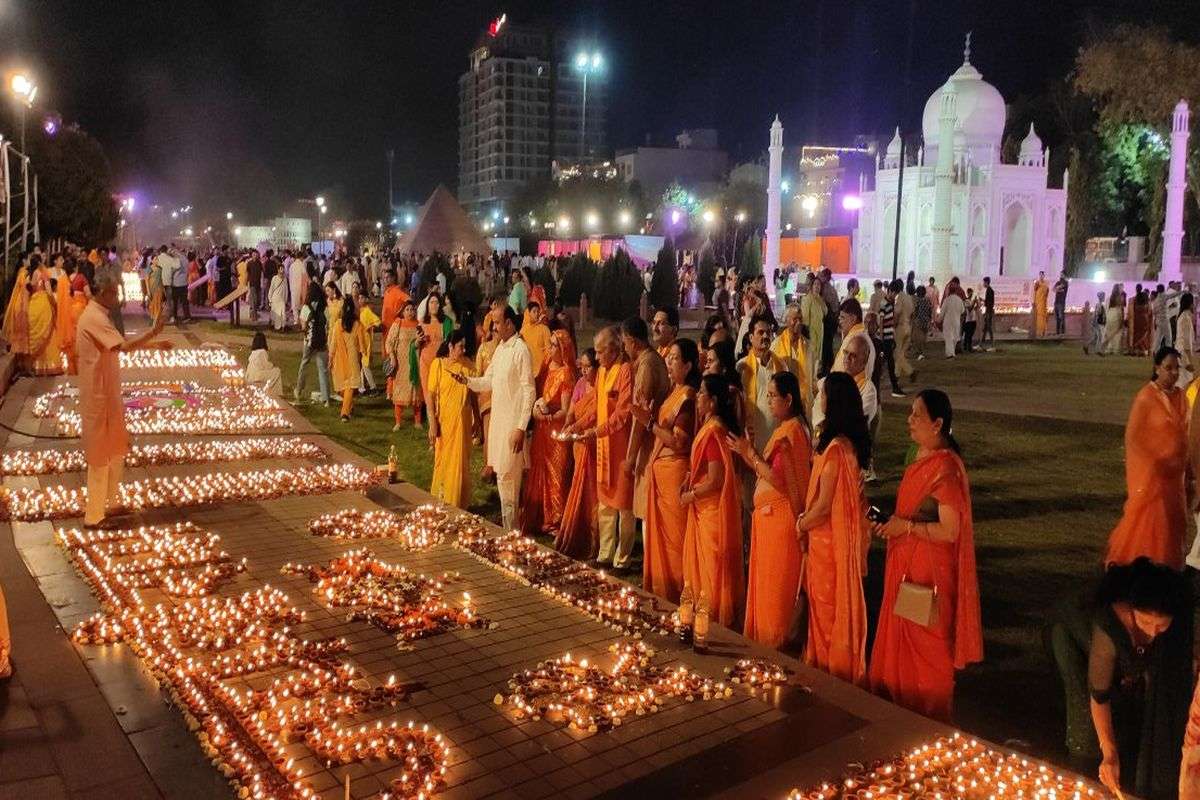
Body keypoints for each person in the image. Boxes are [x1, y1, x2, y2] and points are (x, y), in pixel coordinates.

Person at [868, 389, 983, 721]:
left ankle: (929, 718)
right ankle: (902, 713)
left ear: (938, 424)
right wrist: (895, 523)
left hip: (929, 576)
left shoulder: (945, 469)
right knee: (904, 644)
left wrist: (905, 528)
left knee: (928, 651)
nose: (910, 420)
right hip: (907, 564)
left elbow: (950, 531)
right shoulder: (921, 457)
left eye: (917, 414)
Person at [1047, 559, 1191, 799]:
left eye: (1161, 626)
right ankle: (1082, 771)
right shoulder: (1109, 624)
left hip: (1114, 653)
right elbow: (1099, 695)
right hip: (1072, 636)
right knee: (1085, 725)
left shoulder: (1170, 623)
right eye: (1145, 622)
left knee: (1127, 710)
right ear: (1131, 609)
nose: (1153, 632)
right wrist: (1109, 753)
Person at [77, 270, 170, 529]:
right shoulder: (94, 317)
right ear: (103, 292)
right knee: (99, 455)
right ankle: (94, 516)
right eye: (115, 292)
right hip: (98, 396)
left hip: (108, 393)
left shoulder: (99, 315)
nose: (117, 297)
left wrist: (155, 344)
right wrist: (153, 333)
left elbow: (118, 346)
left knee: (116, 448)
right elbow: (125, 347)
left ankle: (110, 502)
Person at [796, 371, 870, 684]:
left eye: (823, 394)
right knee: (823, 609)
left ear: (833, 401)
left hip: (828, 545)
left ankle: (829, 672)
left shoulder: (838, 451)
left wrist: (802, 522)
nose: (819, 399)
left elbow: (825, 506)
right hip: (829, 541)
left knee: (827, 610)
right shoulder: (846, 445)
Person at [730, 370, 811, 649]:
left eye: (773, 396)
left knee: (775, 588)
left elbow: (780, 480)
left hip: (781, 524)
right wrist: (751, 450)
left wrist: (748, 454)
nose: (770, 401)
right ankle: (764, 639)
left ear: (789, 399)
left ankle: (774, 643)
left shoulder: (791, 433)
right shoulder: (785, 429)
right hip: (769, 522)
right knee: (766, 584)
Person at [1105, 346, 1189, 570]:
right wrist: (1152, 465)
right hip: (1153, 478)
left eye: (1176, 368)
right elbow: (1134, 439)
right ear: (1157, 368)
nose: (1173, 373)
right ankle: (1143, 566)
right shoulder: (1146, 398)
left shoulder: (1181, 397)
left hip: (1176, 477)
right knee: (1151, 523)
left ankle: (1170, 568)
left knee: (1173, 522)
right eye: (1168, 368)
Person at [678, 374, 745, 651]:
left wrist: (690, 495)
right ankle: (702, 620)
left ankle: (713, 622)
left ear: (713, 401)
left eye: (702, 393)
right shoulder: (708, 425)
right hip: (701, 509)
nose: (698, 398)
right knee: (700, 569)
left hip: (710, 512)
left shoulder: (714, 430)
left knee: (711, 570)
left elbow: (717, 480)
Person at [635, 338, 700, 602]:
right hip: (660, 472)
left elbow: (679, 441)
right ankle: (660, 590)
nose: (669, 362)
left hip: (674, 472)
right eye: (669, 358)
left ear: (687, 365)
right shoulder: (673, 393)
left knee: (673, 542)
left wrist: (649, 423)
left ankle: (674, 593)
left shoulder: (687, 397)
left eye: (674, 358)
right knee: (658, 537)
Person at [463, 305, 535, 531]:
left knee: (509, 481)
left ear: (509, 324)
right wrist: (466, 381)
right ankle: (509, 531)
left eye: (496, 322)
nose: (493, 327)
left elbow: (528, 390)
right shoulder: (502, 349)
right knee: (503, 480)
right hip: (498, 424)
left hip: (512, 426)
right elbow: (488, 380)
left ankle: (512, 534)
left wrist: (520, 427)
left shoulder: (520, 350)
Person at [585, 326, 636, 571]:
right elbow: (597, 405)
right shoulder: (602, 373)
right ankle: (605, 555)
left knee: (624, 506)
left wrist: (598, 431)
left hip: (622, 448)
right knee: (605, 503)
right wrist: (579, 424)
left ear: (614, 349)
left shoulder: (626, 371)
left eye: (599, 352)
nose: (596, 358)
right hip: (604, 447)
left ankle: (623, 558)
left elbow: (624, 412)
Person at [521, 329, 576, 535]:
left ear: (563, 350)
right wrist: (536, 409)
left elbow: (565, 410)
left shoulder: (566, 373)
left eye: (554, 345)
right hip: (541, 431)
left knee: (557, 475)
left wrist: (547, 415)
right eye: (550, 344)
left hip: (556, 433)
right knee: (539, 470)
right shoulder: (546, 366)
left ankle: (555, 519)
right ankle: (539, 515)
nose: (550, 348)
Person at [623, 317, 671, 529]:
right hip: (653, 441)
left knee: (647, 511)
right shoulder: (649, 360)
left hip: (651, 444)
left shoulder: (647, 365)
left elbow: (640, 417)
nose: (624, 348)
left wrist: (630, 457)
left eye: (625, 343)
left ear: (632, 342)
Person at [427, 330, 481, 509]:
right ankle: (442, 500)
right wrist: (432, 423)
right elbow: (430, 396)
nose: (463, 350)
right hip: (445, 421)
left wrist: (478, 420)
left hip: (463, 422)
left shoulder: (469, 367)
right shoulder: (439, 365)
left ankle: (458, 502)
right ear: (450, 346)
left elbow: (473, 396)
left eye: (465, 347)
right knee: (443, 461)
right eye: (460, 346)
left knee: (460, 463)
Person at [557, 348, 601, 559]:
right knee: (578, 486)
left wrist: (576, 428)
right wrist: (568, 425)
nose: (583, 371)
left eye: (588, 366)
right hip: (578, 445)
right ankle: (576, 531)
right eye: (581, 366)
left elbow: (596, 414)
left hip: (593, 443)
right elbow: (572, 411)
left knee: (592, 493)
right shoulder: (580, 385)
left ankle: (594, 542)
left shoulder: (601, 388)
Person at [329, 297, 369, 422]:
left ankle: (344, 413)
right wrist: (363, 354)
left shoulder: (338, 324)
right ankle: (348, 406)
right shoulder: (357, 324)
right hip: (351, 359)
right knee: (347, 387)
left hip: (340, 359)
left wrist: (330, 358)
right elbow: (361, 343)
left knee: (348, 387)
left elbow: (333, 344)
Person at [385, 300, 422, 428]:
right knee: (399, 390)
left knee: (415, 390)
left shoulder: (418, 325)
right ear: (402, 312)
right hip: (400, 363)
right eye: (407, 310)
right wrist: (392, 356)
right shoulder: (398, 324)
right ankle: (398, 422)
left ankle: (417, 421)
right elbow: (389, 341)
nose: (410, 312)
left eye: (412, 310)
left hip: (414, 362)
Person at [293, 280, 331, 407]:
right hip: (322, 341)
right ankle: (326, 398)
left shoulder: (306, 307)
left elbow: (303, 325)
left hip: (309, 341)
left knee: (304, 364)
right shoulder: (325, 307)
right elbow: (328, 324)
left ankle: (298, 390)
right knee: (323, 369)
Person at [771, 304, 811, 412]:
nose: (799, 322)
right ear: (787, 321)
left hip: (804, 401)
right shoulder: (776, 345)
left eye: (800, 319)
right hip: (784, 400)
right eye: (795, 319)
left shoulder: (807, 345)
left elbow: (812, 375)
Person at [418, 293, 452, 410]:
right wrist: (418, 341)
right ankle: (431, 421)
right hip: (425, 362)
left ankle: (440, 418)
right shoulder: (422, 322)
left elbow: (449, 341)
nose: (434, 305)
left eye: (437, 302)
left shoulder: (446, 322)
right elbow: (415, 345)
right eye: (431, 302)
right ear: (427, 305)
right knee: (428, 391)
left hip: (440, 361)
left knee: (440, 390)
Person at [878, 283, 906, 395]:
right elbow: (881, 320)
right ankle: (894, 387)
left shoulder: (890, 303)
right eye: (894, 293)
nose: (895, 296)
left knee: (885, 361)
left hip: (888, 336)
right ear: (889, 291)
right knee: (889, 362)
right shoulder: (884, 303)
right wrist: (881, 338)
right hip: (885, 337)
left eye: (896, 294)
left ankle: (890, 384)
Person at [353, 285, 381, 393]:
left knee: (365, 365)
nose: (360, 300)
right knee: (362, 364)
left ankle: (373, 387)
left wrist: (371, 327)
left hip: (366, 341)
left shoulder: (367, 311)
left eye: (362, 298)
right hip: (361, 341)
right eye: (359, 298)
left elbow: (378, 321)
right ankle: (362, 387)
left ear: (366, 299)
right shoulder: (362, 311)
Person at [801, 276, 826, 385]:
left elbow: (825, 312)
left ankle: (814, 379)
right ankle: (810, 380)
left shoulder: (820, 299)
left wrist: (820, 300)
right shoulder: (808, 299)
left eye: (819, 285)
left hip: (819, 330)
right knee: (811, 356)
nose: (817, 287)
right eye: (815, 284)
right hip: (811, 332)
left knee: (817, 357)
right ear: (811, 286)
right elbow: (805, 317)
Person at [521, 301, 552, 381]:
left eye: (538, 311)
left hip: (541, 370)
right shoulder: (523, 330)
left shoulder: (544, 329)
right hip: (527, 369)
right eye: (534, 311)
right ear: (528, 313)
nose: (537, 314)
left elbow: (549, 350)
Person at [246, 331, 282, 397]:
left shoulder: (253, 352)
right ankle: (275, 393)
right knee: (277, 371)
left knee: (273, 371)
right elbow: (265, 366)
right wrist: (272, 366)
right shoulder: (262, 352)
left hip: (249, 374)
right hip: (257, 375)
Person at [939, 285, 964, 359]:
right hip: (956, 322)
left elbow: (942, 313)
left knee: (948, 338)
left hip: (948, 322)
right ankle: (952, 353)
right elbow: (962, 311)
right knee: (954, 338)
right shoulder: (959, 300)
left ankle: (950, 354)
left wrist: (938, 320)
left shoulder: (947, 300)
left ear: (949, 291)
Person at [1177, 293, 1195, 381]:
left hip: (1181, 353)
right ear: (1191, 304)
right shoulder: (1186, 318)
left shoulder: (1183, 316)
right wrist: (1190, 361)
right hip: (1183, 355)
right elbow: (1186, 343)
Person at [1103, 286, 1126, 355]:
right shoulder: (1119, 298)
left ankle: (1109, 348)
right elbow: (1121, 308)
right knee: (1117, 332)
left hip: (1110, 314)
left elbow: (1106, 307)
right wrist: (1122, 318)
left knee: (1110, 331)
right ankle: (1116, 348)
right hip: (1116, 314)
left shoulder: (1109, 298)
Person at [268, 264, 288, 330]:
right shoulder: (274, 278)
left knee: (283, 313)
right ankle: (275, 326)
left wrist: (286, 299)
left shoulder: (285, 279)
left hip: (282, 299)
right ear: (278, 270)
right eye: (281, 269)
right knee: (275, 313)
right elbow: (271, 288)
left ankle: (283, 326)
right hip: (275, 298)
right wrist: (270, 299)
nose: (282, 270)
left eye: (283, 269)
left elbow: (286, 289)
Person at [961, 288, 979, 354]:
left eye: (972, 293)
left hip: (973, 319)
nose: (971, 294)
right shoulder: (966, 301)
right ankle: (968, 347)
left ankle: (966, 346)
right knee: (968, 334)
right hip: (968, 320)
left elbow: (975, 308)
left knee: (970, 334)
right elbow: (970, 309)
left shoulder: (971, 301)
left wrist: (977, 303)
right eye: (970, 293)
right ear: (968, 293)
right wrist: (974, 302)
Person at [981, 276, 996, 350]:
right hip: (988, 310)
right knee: (986, 326)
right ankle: (982, 341)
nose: (983, 284)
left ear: (986, 282)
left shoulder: (989, 290)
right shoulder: (989, 290)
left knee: (988, 326)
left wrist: (983, 301)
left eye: (984, 282)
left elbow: (989, 302)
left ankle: (992, 341)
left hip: (989, 311)